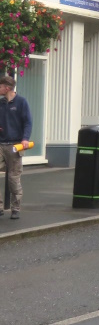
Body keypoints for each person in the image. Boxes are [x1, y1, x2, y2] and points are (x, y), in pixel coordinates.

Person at [0, 74, 32, 220]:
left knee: (13, 178)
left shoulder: (21, 102)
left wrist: (25, 139)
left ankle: (16, 208)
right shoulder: (1, 103)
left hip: (14, 146)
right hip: (1, 144)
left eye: (0, 86)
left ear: (7, 88)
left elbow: (27, 122)